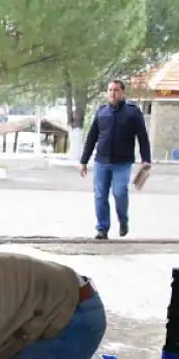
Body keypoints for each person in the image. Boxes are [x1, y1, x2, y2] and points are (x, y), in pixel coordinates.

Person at [79, 79, 151, 240]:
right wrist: (83, 161)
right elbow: (91, 137)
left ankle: (123, 220)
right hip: (101, 162)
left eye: (116, 90)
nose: (112, 93)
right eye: (110, 90)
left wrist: (146, 158)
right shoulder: (102, 111)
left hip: (122, 163)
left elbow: (143, 137)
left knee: (119, 192)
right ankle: (102, 229)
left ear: (122, 92)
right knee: (100, 195)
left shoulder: (133, 112)